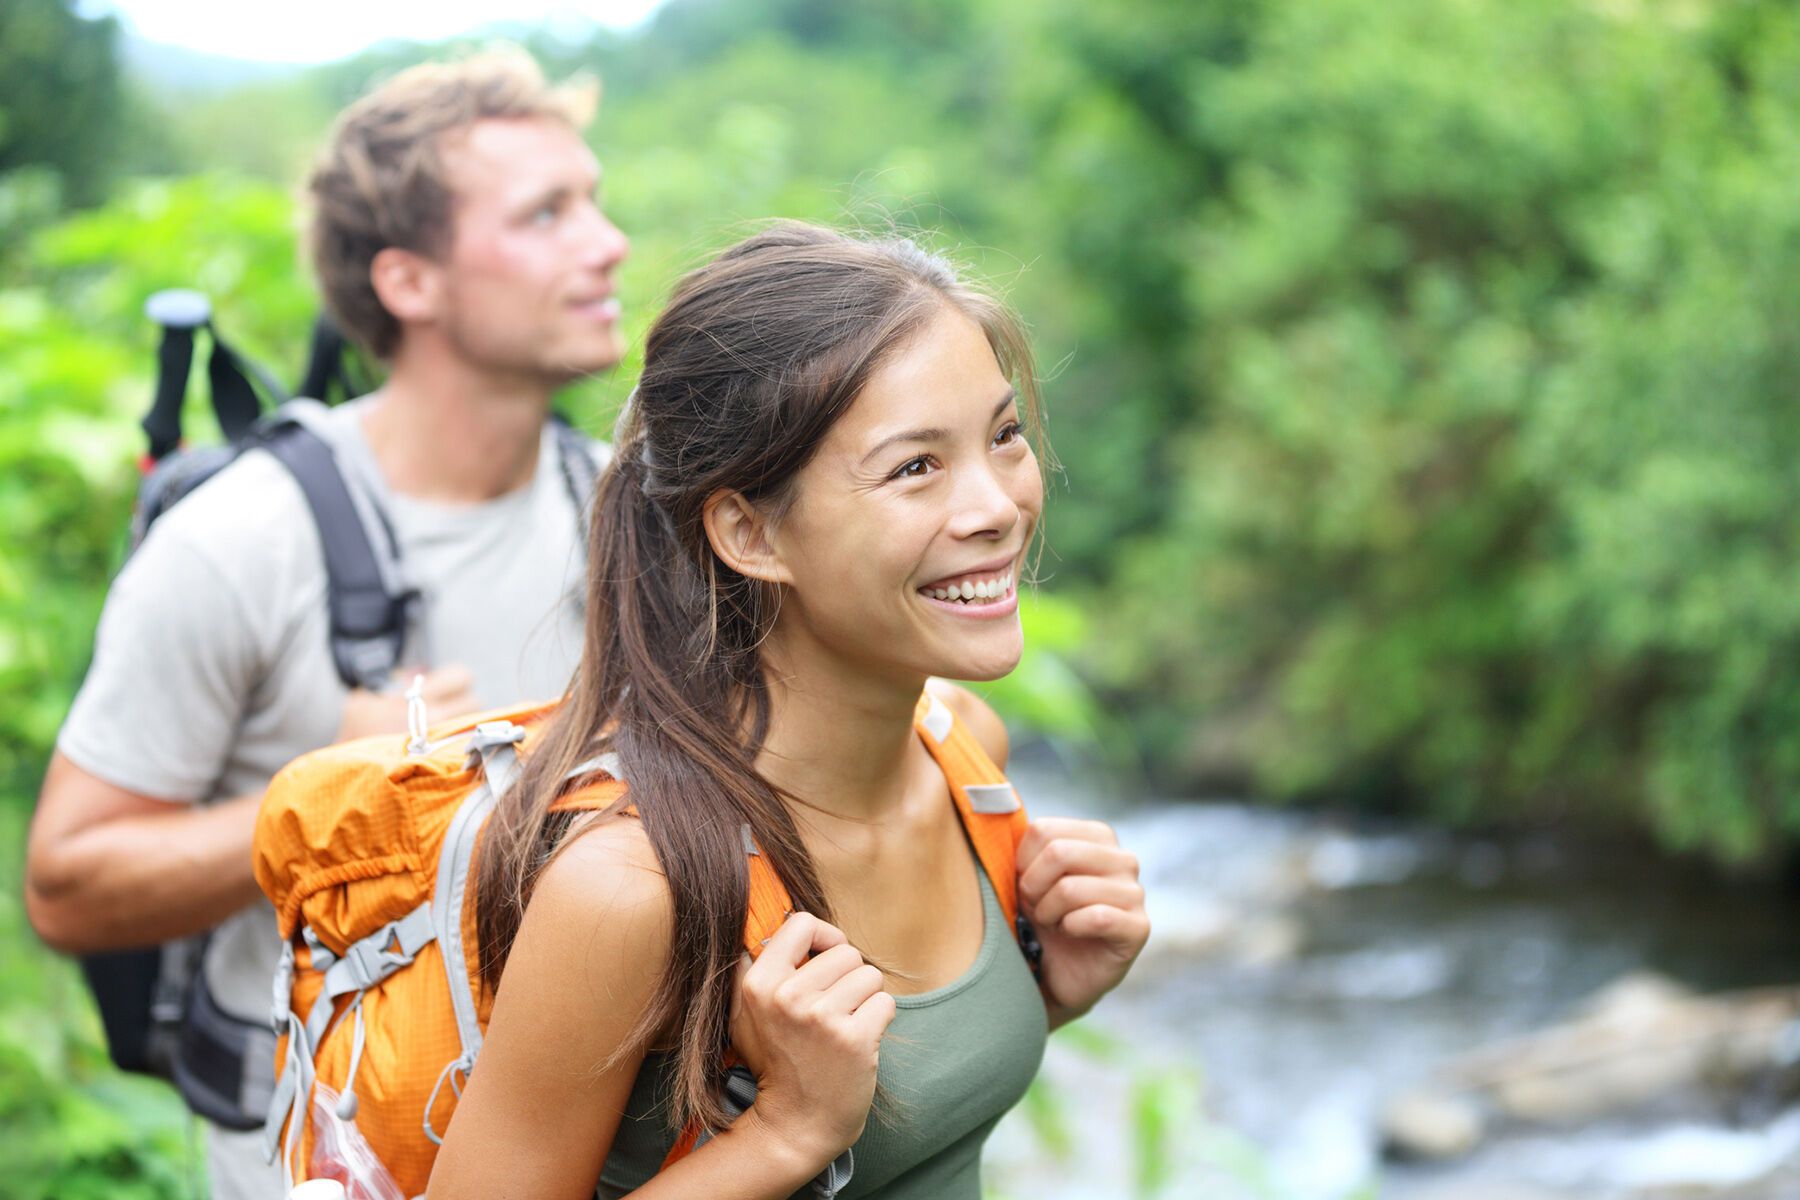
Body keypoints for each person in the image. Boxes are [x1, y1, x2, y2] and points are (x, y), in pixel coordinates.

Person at [428, 222, 1150, 1200]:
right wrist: (784, 1132)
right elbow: (825, 1123)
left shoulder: (962, 757)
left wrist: (1039, 989)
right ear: (749, 532)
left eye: (1004, 436)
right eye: (914, 468)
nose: (997, 506)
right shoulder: (631, 891)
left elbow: (907, 1122)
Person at [24, 49, 629, 1199]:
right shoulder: (243, 540)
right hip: (321, 1158)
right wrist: (343, 796)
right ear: (409, 282)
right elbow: (67, 886)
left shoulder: (630, 515)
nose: (607, 243)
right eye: (547, 213)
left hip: (593, 1144)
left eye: (594, 201)